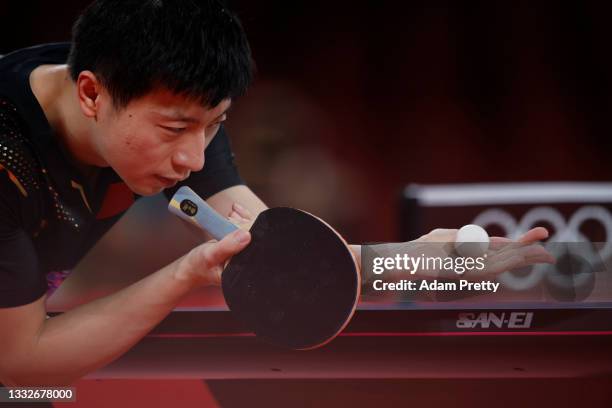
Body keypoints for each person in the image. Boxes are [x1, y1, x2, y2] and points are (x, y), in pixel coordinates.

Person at [0, 0, 553, 386]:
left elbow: (275, 258)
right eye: (174, 132)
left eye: (214, 124)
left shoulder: (161, 96)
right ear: (91, 94)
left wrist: (414, 262)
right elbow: (23, 364)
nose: (194, 159)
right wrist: (185, 274)